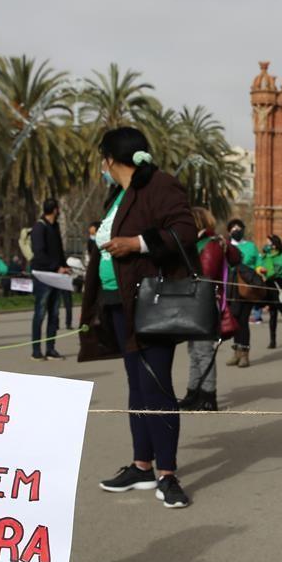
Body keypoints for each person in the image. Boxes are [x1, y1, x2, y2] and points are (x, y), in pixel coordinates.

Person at [80, 127, 196, 508]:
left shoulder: (160, 185)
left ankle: (168, 474)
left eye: (103, 159)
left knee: (156, 385)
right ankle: (141, 465)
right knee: (136, 386)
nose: (103, 167)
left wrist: (137, 243)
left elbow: (183, 231)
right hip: (118, 302)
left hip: (151, 302)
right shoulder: (120, 194)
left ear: (112, 159)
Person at [180, 207, 242, 411]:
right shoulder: (200, 243)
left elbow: (204, 275)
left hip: (203, 302)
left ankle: (208, 396)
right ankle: (193, 392)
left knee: (203, 351)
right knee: (194, 350)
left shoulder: (210, 244)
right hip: (195, 302)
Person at [30, 198, 70, 361]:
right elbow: (39, 253)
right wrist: (56, 266)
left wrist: (64, 266)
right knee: (40, 313)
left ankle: (50, 348)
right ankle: (36, 350)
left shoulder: (55, 226)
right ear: (55, 210)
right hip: (43, 276)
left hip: (57, 276)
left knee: (54, 313)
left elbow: (59, 251)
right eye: (58, 208)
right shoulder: (40, 227)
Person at [224, 218, 259, 367]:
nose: (236, 230)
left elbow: (260, 262)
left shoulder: (251, 246)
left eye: (239, 227)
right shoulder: (224, 246)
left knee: (243, 320)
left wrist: (261, 270)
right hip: (230, 287)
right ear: (229, 231)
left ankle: (245, 354)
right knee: (235, 320)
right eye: (233, 228)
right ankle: (237, 352)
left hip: (246, 286)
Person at [257, 235, 282, 349]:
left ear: (274, 244)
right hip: (271, 286)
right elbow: (260, 268)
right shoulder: (266, 257)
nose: (267, 245)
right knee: (272, 314)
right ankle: (272, 341)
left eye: (269, 243)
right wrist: (261, 271)